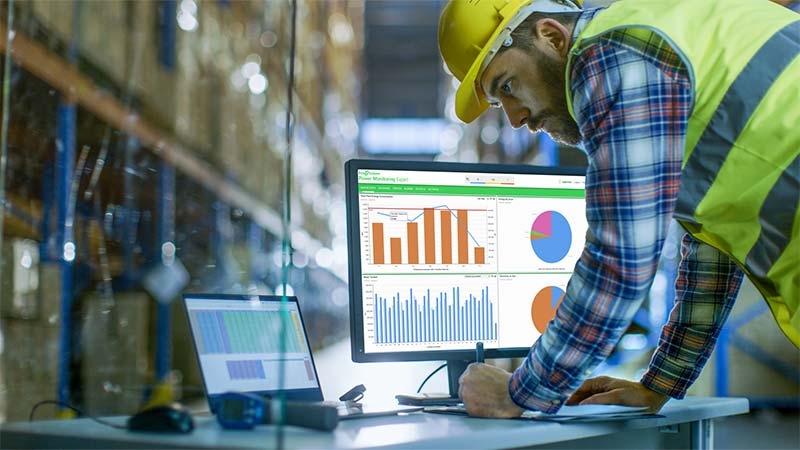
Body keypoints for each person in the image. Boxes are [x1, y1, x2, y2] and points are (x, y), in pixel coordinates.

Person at [438, 0, 799, 418]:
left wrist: (522, 392)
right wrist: (660, 384)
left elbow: (620, 261)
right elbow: (712, 247)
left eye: (507, 86)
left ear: (552, 37)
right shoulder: (663, 41)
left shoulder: (614, 53)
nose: (518, 119)